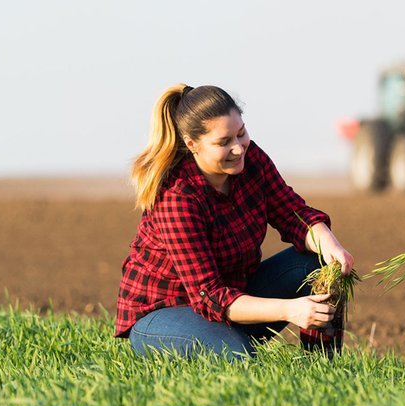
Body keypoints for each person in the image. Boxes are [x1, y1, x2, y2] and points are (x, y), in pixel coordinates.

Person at [114, 84, 355, 361]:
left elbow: (293, 214)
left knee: (320, 263)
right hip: (164, 311)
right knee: (239, 356)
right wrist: (291, 310)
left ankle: (323, 366)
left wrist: (328, 243)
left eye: (241, 134)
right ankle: (231, 343)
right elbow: (212, 296)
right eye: (223, 142)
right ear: (192, 144)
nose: (238, 149)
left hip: (234, 296)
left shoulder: (252, 159)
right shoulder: (177, 196)